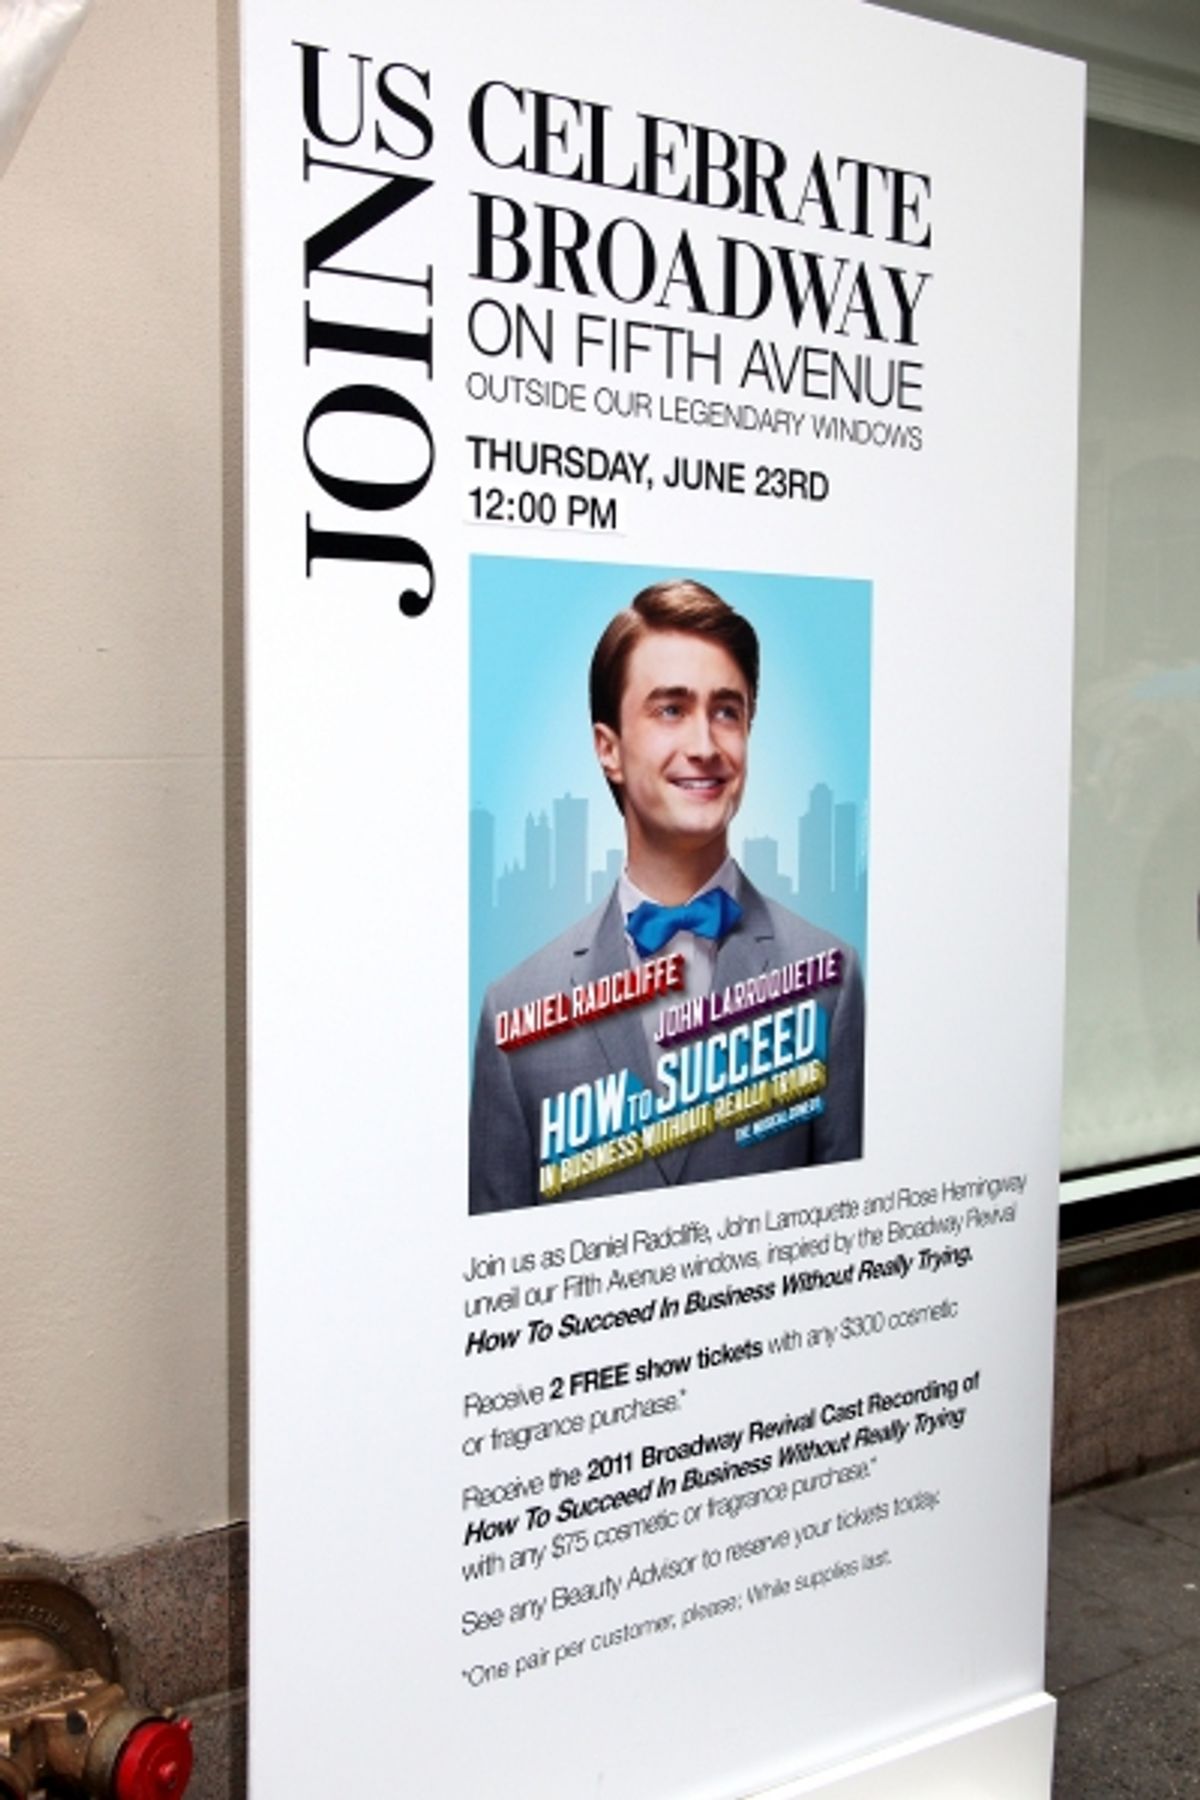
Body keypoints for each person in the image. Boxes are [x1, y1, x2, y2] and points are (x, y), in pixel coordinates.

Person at [469, 579, 864, 1212]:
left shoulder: (831, 982)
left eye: (727, 711)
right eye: (671, 709)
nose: (705, 746)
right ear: (610, 750)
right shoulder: (513, 1010)